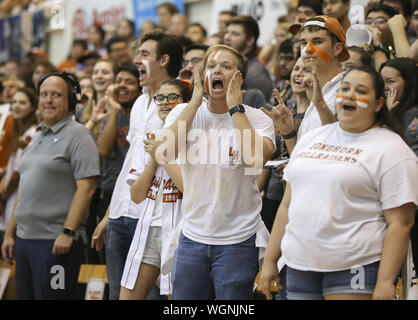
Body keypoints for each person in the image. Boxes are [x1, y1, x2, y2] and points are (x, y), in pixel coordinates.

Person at [259, 66, 418, 300]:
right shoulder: (312, 138)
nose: (350, 95)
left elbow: (400, 224)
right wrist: (271, 260)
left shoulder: (392, 148)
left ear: (378, 103)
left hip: (355, 264)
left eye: (360, 90)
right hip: (299, 262)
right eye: (345, 89)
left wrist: (385, 282)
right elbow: (287, 205)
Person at [157, 45, 275, 300]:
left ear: (239, 78)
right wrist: (194, 103)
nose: (217, 70)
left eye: (226, 66)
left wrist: (235, 108)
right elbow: (164, 153)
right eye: (211, 66)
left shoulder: (258, 119)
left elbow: (255, 159)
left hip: (239, 239)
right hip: (192, 236)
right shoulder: (182, 112)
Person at [91, 31, 183, 300]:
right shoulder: (141, 102)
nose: (136, 59)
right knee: (119, 295)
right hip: (122, 211)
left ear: (164, 60)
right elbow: (130, 161)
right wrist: (110, 213)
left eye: (144, 54)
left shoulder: (179, 104)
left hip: (154, 215)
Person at [1, 72, 100, 299]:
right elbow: (24, 190)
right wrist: (10, 234)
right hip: (25, 241)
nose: (48, 100)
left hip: (55, 243)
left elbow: (87, 188)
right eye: (44, 94)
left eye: (56, 95)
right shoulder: (37, 136)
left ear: (70, 101)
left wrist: (68, 232)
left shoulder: (79, 136)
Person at [119, 79, 192, 300]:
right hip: (148, 229)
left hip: (182, 231)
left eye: (173, 97)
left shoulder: (195, 138)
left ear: (187, 104)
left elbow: (189, 189)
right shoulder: (149, 139)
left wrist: (162, 155)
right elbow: (137, 195)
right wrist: (153, 158)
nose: (165, 103)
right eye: (160, 98)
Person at [271, 15, 349, 156]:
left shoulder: (349, 87)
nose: (308, 49)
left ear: (337, 48)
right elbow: (303, 156)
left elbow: (342, 147)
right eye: (303, 43)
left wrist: (320, 105)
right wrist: (288, 131)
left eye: (317, 41)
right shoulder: (315, 89)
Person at [87, 63, 141, 265]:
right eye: (119, 81)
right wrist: (115, 112)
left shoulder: (143, 114)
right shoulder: (111, 114)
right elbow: (103, 150)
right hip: (111, 191)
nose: (122, 86)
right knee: (108, 258)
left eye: (129, 82)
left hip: (138, 193)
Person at [0, 88, 38, 246]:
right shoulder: (18, 132)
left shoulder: (32, 133)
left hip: (19, 201)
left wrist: (2, 198)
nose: (16, 106)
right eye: (14, 102)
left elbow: (17, 175)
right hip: (11, 200)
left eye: (22, 102)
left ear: (33, 107)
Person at [224, 15, 273, 102]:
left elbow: (257, 111)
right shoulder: (229, 65)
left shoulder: (256, 73)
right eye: (227, 32)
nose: (227, 37)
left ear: (250, 40)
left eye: (235, 34)